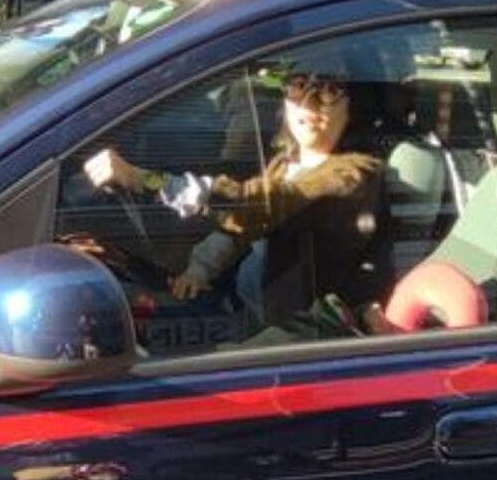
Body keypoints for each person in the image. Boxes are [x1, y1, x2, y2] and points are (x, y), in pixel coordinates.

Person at [83, 69, 385, 327]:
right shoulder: (288, 163)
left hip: (305, 330)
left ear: (353, 106)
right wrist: (200, 268)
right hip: (255, 303)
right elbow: (244, 227)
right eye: (298, 85)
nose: (309, 102)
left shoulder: (353, 174)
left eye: (329, 91)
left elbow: (254, 207)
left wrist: (144, 180)